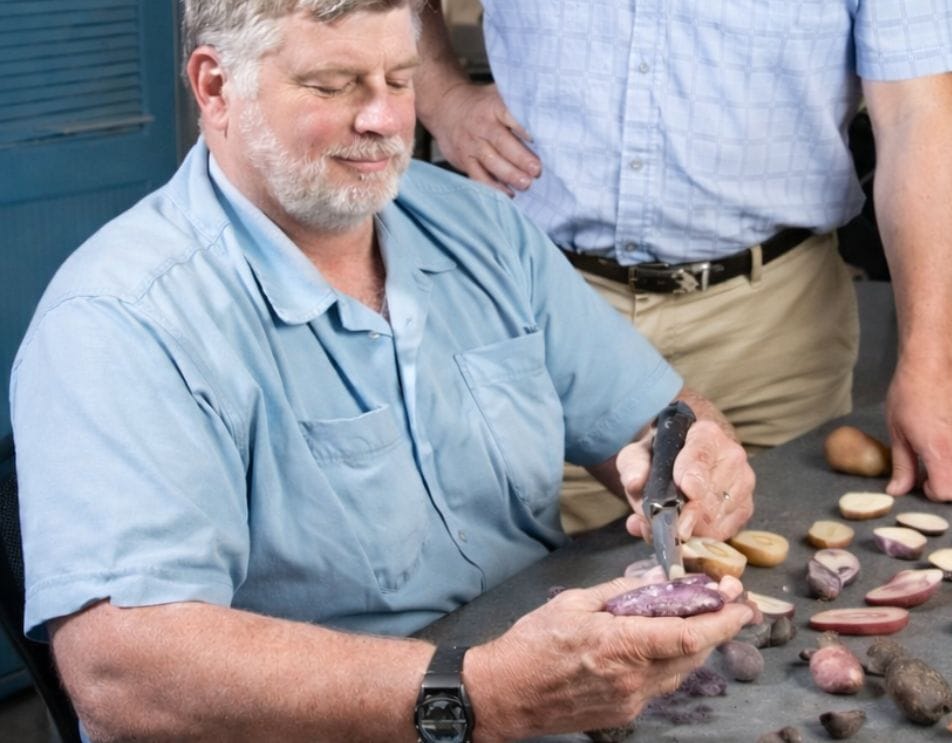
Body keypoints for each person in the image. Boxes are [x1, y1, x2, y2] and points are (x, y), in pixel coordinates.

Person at [8, 1, 759, 740]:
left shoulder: (480, 227)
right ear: (215, 86)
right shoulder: (122, 319)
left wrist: (695, 459)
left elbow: (659, 418)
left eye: (399, 80)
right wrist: (482, 693)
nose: (383, 120)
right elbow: (121, 673)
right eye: (332, 86)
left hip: (550, 693)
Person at [414, 1, 952, 533]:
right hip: (543, 320)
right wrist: (441, 96)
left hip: (774, 333)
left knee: (775, 577)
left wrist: (932, 363)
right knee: (529, 593)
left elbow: (919, 114)